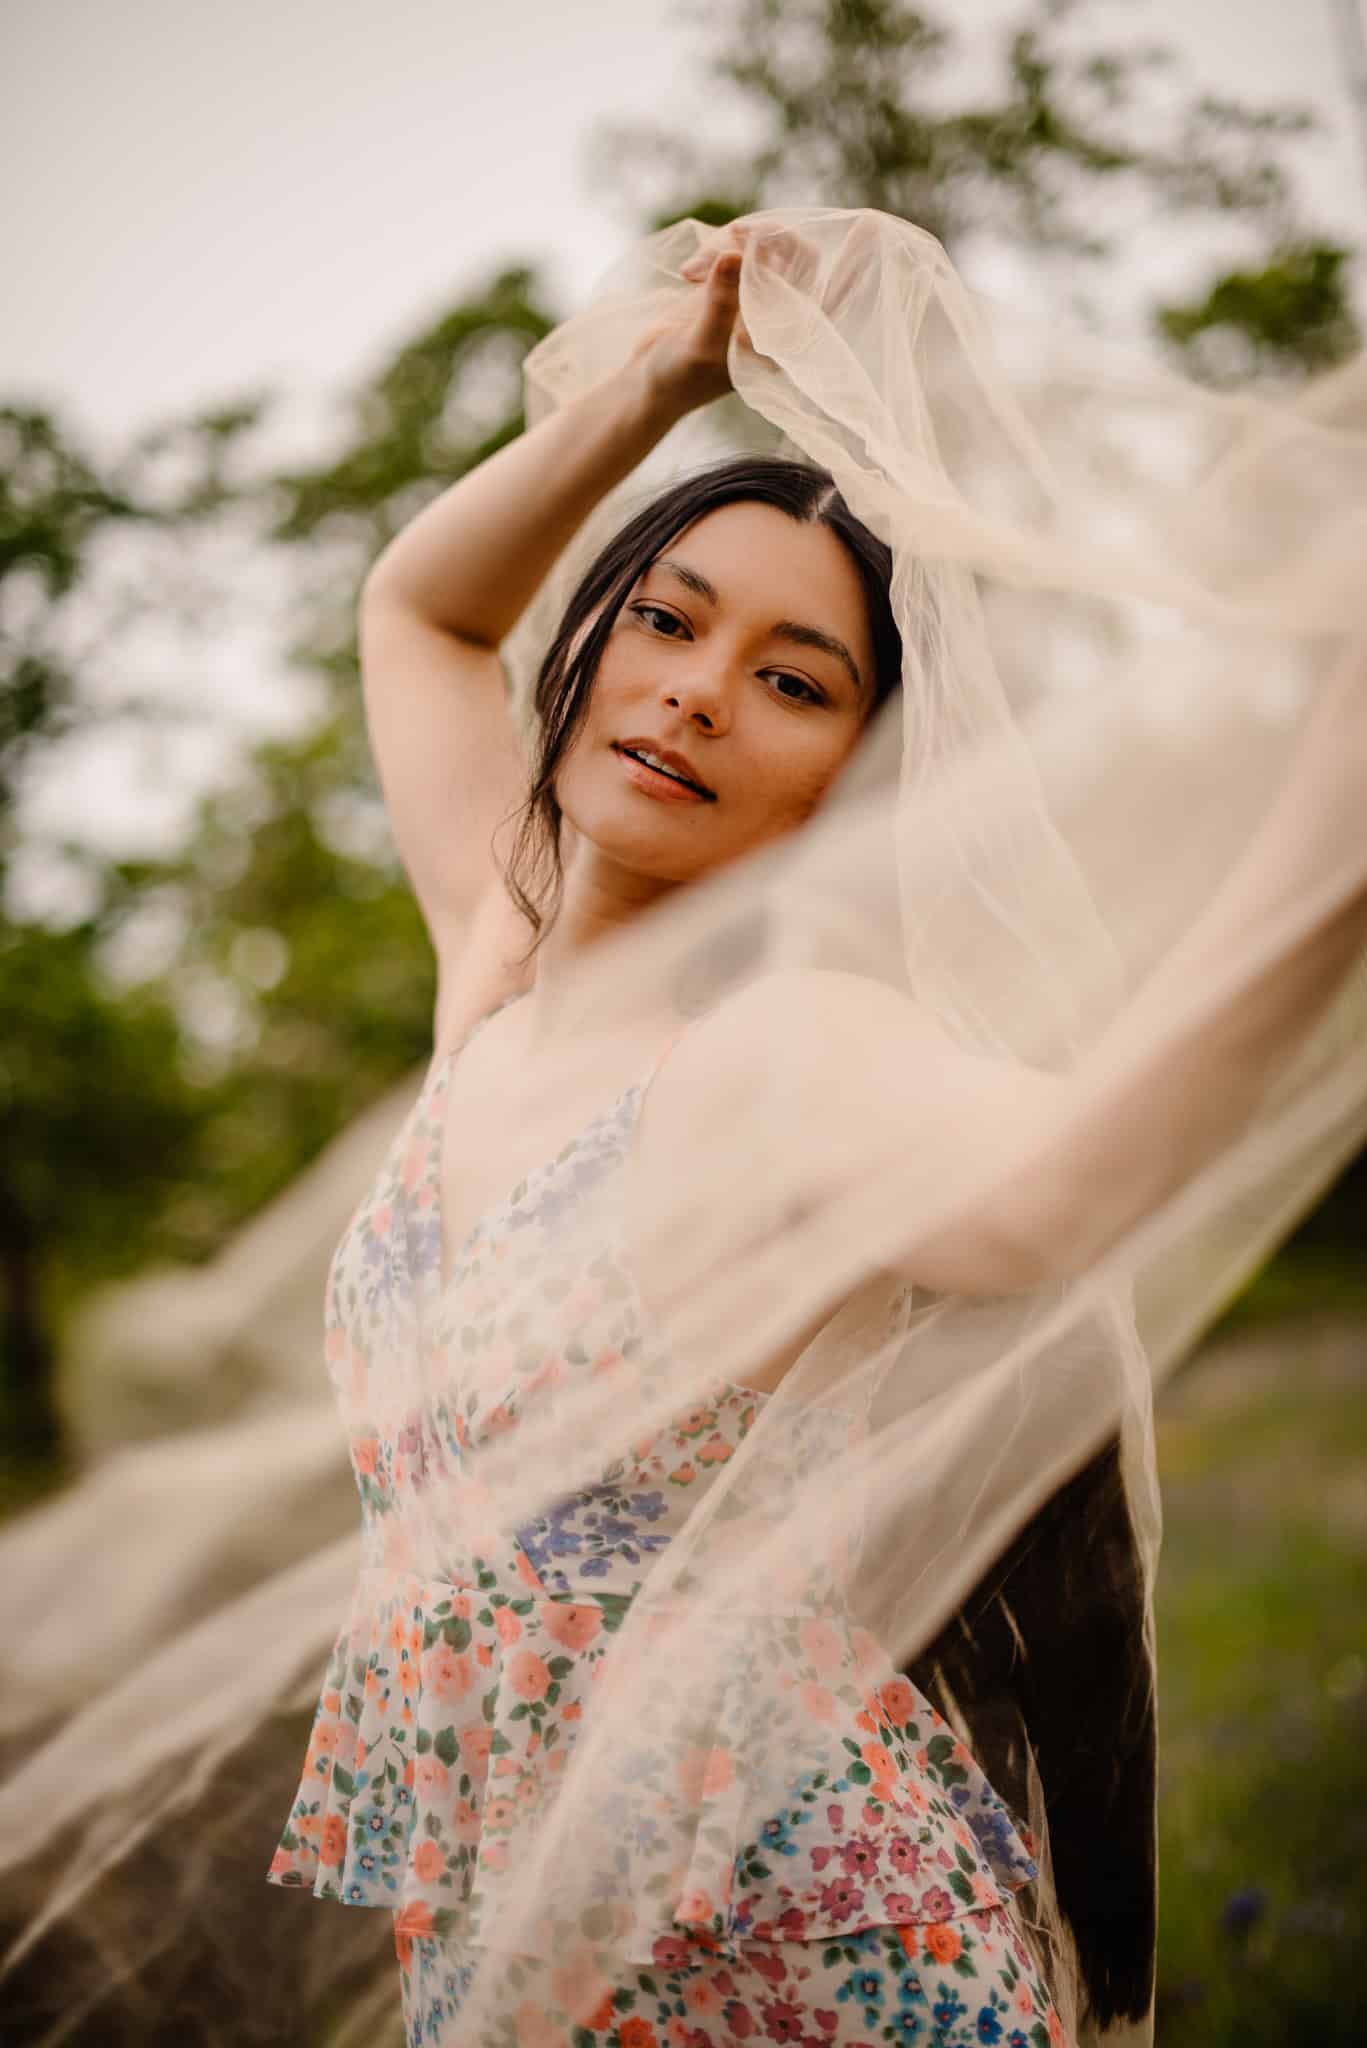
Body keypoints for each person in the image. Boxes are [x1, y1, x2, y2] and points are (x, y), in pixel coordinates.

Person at [264, 225, 1081, 2046]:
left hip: (807, 1941)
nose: (701, 691)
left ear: (849, 790)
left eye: (797, 681)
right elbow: (420, 611)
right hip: (504, 1940)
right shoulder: (500, 984)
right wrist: (663, 376)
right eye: (666, 618)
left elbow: (1072, 1184)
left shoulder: (795, 1056)